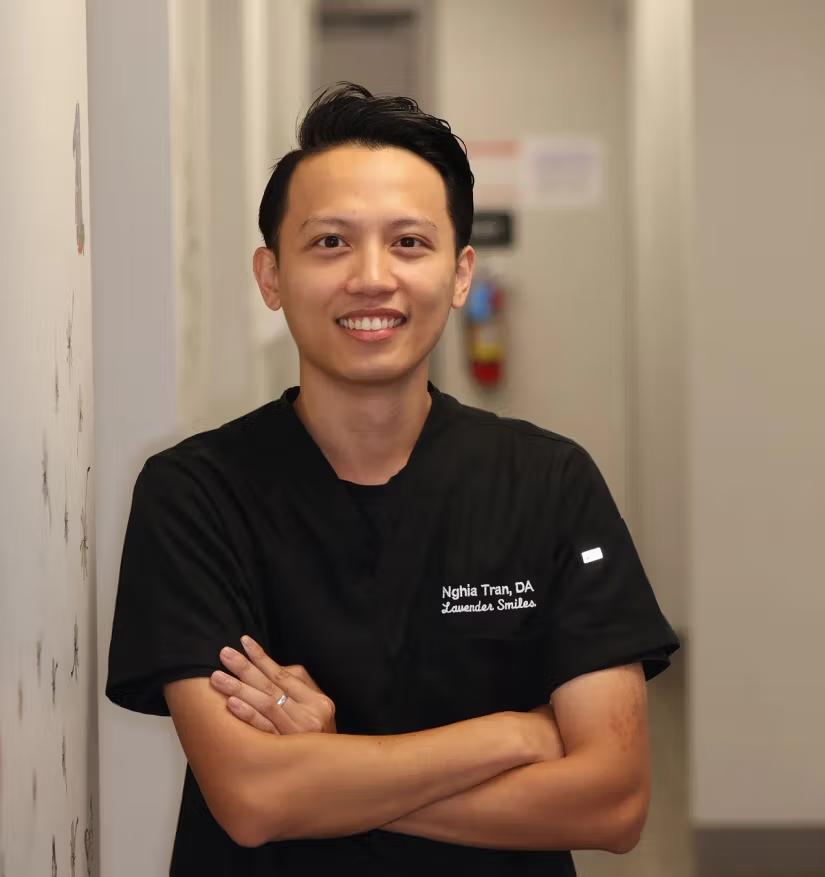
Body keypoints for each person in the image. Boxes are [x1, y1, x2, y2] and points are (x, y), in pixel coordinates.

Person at [106, 82, 680, 876]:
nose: (372, 277)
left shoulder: (548, 481)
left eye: (409, 243)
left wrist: (333, 767)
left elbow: (611, 801)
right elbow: (252, 798)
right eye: (330, 243)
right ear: (270, 276)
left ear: (458, 272)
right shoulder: (194, 495)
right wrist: (513, 734)